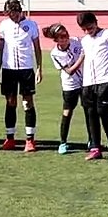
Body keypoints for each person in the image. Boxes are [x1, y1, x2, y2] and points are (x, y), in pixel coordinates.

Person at [0, 0, 43, 152]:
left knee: (27, 102)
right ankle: (10, 138)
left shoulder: (31, 25)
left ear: (19, 11)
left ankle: (30, 140)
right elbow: (1, 48)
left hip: (26, 69)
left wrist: (39, 68)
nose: (12, 17)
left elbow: (37, 48)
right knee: (10, 102)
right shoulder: (4, 25)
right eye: (9, 14)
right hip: (8, 69)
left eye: (14, 14)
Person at [78, 12, 108, 161]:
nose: (87, 31)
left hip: (105, 79)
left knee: (103, 111)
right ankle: (95, 147)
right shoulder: (85, 40)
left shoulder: (107, 34)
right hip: (88, 81)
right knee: (91, 113)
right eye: (84, 29)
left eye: (90, 28)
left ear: (96, 22)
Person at [43, 23, 84, 155]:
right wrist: (82, 57)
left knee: (90, 111)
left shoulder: (76, 41)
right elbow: (70, 71)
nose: (65, 37)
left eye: (66, 34)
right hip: (70, 85)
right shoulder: (55, 53)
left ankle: (93, 141)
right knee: (67, 112)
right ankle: (63, 142)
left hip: (86, 82)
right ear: (56, 39)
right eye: (61, 36)